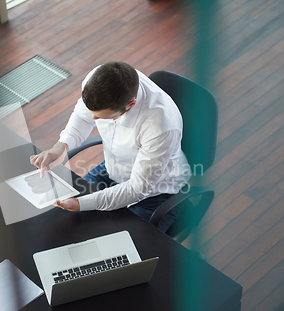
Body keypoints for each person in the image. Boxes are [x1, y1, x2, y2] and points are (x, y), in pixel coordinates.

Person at [30, 62, 191, 232]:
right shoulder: (97, 79)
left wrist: (80, 204)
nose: (93, 117)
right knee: (66, 221)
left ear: (131, 103)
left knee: (122, 242)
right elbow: (83, 117)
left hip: (157, 190)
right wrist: (60, 147)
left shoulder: (160, 127)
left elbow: (138, 188)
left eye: (103, 117)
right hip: (113, 168)